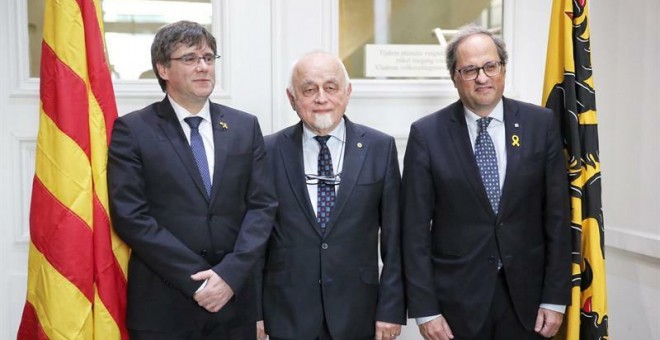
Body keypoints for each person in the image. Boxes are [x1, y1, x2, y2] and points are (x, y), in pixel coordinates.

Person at [107, 21, 277, 339]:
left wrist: (228, 275)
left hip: (234, 301)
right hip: (164, 303)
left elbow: (262, 206)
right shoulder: (133, 130)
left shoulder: (244, 126)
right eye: (189, 58)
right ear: (163, 68)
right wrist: (197, 280)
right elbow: (131, 216)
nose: (203, 67)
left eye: (209, 58)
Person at [401, 25, 571, 340]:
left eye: (490, 66)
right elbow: (413, 232)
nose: (482, 77)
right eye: (470, 70)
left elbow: (558, 219)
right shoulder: (426, 135)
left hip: (529, 302)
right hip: (455, 306)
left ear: (502, 68)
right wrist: (426, 309)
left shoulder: (541, 124)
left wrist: (555, 297)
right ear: (454, 76)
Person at [256, 51, 405, 340]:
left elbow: (395, 240)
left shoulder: (379, 148)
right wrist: (255, 313)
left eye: (331, 87)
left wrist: (391, 309)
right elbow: (254, 240)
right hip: (286, 313)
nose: (321, 98)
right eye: (309, 89)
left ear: (347, 92)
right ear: (292, 98)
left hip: (358, 312)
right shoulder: (267, 151)